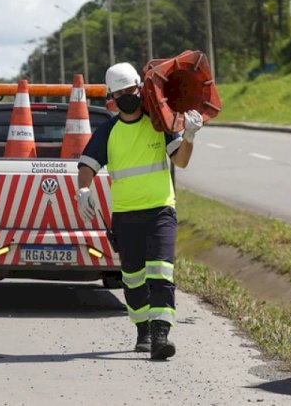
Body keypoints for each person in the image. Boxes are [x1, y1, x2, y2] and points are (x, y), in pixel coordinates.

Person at [75, 62, 203, 360]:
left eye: (130, 91)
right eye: (119, 94)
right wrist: (83, 190)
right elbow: (86, 165)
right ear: (112, 97)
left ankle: (161, 335)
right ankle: (142, 330)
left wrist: (190, 136)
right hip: (126, 215)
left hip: (160, 211)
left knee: (161, 272)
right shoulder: (109, 132)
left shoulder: (159, 123)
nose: (126, 97)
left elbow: (181, 161)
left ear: (140, 88)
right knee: (133, 278)